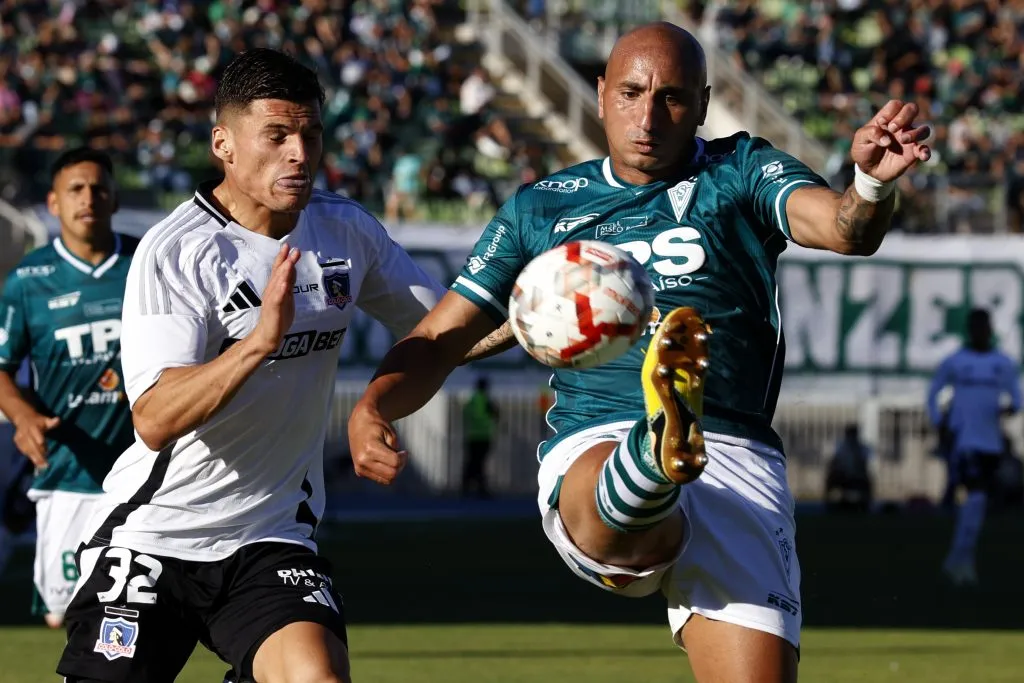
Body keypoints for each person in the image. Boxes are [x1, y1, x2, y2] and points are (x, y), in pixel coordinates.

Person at [347, 22, 932, 683]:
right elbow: (438, 337)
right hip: (598, 437)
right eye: (631, 93)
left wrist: (871, 185)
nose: (648, 117)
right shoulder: (542, 209)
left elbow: (843, 228)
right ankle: (653, 450)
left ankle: (664, 441)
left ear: (703, 105)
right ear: (601, 94)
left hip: (734, 455)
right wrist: (373, 406)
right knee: (616, 506)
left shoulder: (741, 169)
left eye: (672, 98)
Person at [55, 49, 511, 683]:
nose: (299, 153)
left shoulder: (345, 231)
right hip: (155, 534)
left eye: (311, 134)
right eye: (276, 136)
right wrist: (255, 344)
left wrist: (545, 316)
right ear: (224, 144)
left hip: (271, 537)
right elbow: (154, 418)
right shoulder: (177, 251)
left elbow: (446, 331)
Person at [0, 148, 135, 629]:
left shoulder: (148, 264)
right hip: (68, 474)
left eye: (99, 188)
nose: (88, 198)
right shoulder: (27, 281)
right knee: (70, 617)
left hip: (149, 472)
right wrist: (23, 417)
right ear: (54, 203)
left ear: (115, 198)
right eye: (76, 189)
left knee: (148, 613)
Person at [927, 308, 1021, 586]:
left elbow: (1017, 398)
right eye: (976, 326)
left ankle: (958, 560)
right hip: (965, 440)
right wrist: (940, 422)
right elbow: (933, 393)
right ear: (970, 330)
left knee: (977, 503)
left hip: (991, 443)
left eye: (984, 326)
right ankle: (961, 561)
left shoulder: (1002, 363)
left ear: (990, 329)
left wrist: (1007, 410)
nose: (981, 331)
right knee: (976, 495)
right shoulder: (956, 361)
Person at [461, 376, 499, 498]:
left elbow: (466, 413)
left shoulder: (472, 399)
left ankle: (467, 486)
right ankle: (480, 488)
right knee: (479, 463)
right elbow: (493, 414)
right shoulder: (485, 400)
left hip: (472, 435)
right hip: (483, 436)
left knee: (473, 462)